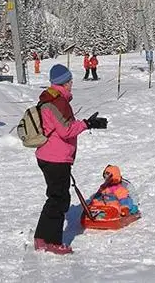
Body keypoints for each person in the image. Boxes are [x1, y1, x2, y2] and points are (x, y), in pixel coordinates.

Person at [34, 64, 108, 254]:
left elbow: (63, 125)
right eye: (70, 81)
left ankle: (41, 238)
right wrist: (87, 124)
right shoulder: (58, 102)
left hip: (49, 155)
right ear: (64, 83)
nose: (71, 84)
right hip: (55, 158)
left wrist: (85, 123)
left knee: (54, 198)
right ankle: (53, 241)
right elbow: (66, 130)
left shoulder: (49, 98)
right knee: (59, 200)